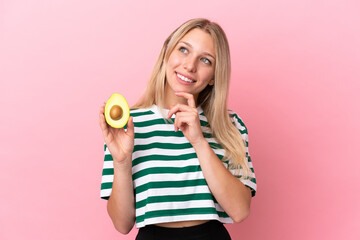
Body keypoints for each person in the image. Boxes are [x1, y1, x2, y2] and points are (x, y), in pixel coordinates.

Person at [99, 18, 256, 240]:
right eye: (183, 50)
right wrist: (122, 162)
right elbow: (122, 224)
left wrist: (199, 141)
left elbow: (240, 211)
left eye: (205, 60)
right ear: (166, 54)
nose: (190, 66)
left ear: (213, 77)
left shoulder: (230, 125)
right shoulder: (127, 125)